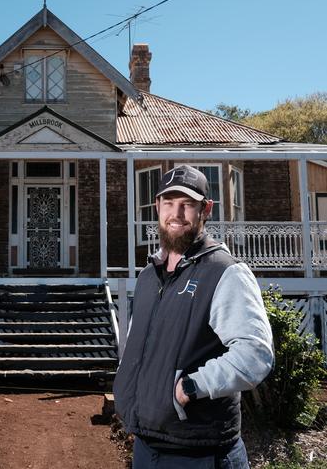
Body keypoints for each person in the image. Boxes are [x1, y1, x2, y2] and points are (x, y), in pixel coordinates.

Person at [113, 164, 274, 468]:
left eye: (187, 204)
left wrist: (190, 387)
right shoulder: (148, 277)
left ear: (206, 209)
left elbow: (255, 355)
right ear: (157, 206)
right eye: (169, 203)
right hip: (147, 448)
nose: (176, 213)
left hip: (199, 454)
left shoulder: (224, 272)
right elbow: (140, 347)